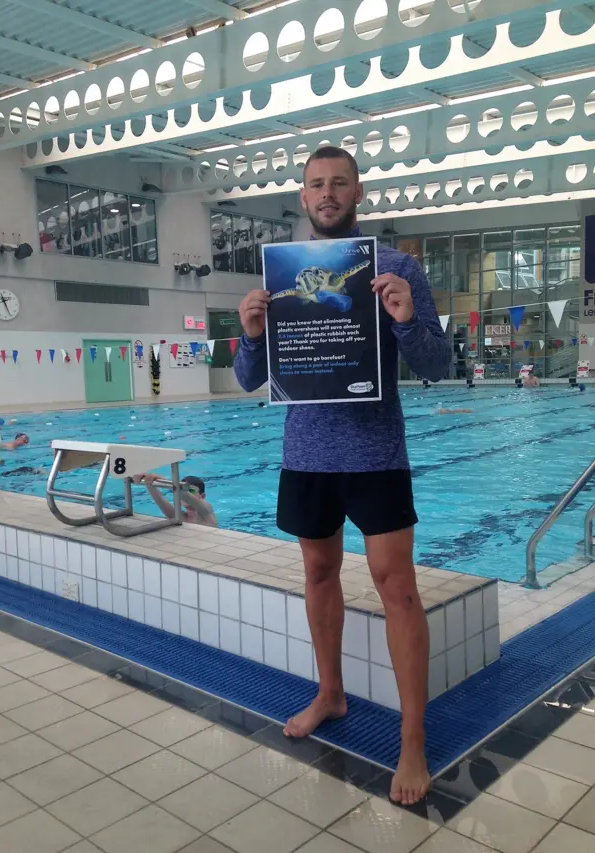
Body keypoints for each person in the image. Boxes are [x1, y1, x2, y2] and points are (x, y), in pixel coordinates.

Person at [234, 145, 450, 806]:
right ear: (303, 197)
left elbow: (438, 365)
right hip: (306, 454)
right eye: (315, 185)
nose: (327, 193)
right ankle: (331, 691)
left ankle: (412, 740)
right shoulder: (283, 273)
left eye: (338, 183)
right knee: (318, 574)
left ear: (359, 192)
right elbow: (250, 379)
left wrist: (408, 319)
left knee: (399, 589)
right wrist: (247, 334)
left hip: (376, 454)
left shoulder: (397, 267)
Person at [132, 473, 217, 527]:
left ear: (202, 496)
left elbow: (183, 494)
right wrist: (146, 480)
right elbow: (160, 501)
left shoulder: (207, 511)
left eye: (191, 490)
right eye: (185, 489)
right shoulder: (181, 517)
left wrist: (159, 478)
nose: (187, 492)